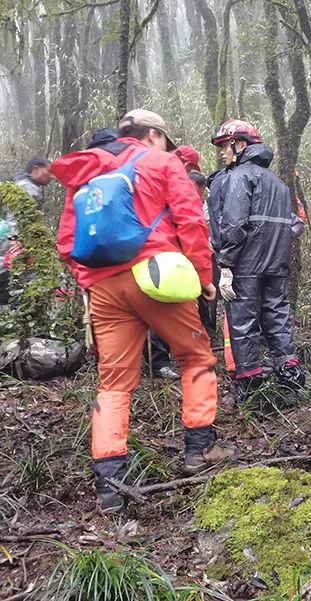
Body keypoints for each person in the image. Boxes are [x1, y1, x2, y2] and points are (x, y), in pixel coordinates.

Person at [50, 108, 232, 514]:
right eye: (164, 139)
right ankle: (199, 449)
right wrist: (204, 276)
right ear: (152, 135)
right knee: (197, 356)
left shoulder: (85, 173)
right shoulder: (161, 162)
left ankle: (110, 482)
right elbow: (190, 222)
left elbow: (66, 241)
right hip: (157, 277)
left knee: (113, 381)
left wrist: (88, 281)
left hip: (102, 288)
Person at [209, 119, 306, 405]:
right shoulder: (277, 182)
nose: (222, 153)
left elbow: (235, 225)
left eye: (225, 146)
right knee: (277, 318)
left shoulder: (239, 177)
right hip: (276, 266)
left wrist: (225, 264)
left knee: (243, 323)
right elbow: (294, 225)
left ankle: (251, 390)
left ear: (240, 145)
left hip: (245, 266)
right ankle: (290, 378)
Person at [144, 170, 213, 381]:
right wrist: (204, 277)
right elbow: (190, 233)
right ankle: (159, 362)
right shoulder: (171, 198)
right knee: (162, 309)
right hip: (163, 263)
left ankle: (164, 359)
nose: (196, 198)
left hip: (173, 263)